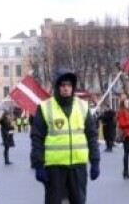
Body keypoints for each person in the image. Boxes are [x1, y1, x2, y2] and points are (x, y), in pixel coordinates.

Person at [31, 68, 100, 204]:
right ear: (57, 87)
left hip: (78, 166)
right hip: (55, 167)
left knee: (79, 201)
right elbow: (37, 138)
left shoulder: (83, 106)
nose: (66, 88)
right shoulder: (45, 107)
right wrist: (38, 164)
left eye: (69, 85)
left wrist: (95, 162)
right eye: (62, 85)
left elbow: (92, 136)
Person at [116, 99, 129, 179]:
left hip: (128, 133)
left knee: (127, 153)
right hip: (126, 133)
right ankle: (125, 172)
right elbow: (122, 124)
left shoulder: (126, 111)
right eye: (126, 102)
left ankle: (126, 171)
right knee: (126, 154)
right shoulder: (122, 112)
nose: (127, 103)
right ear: (123, 104)